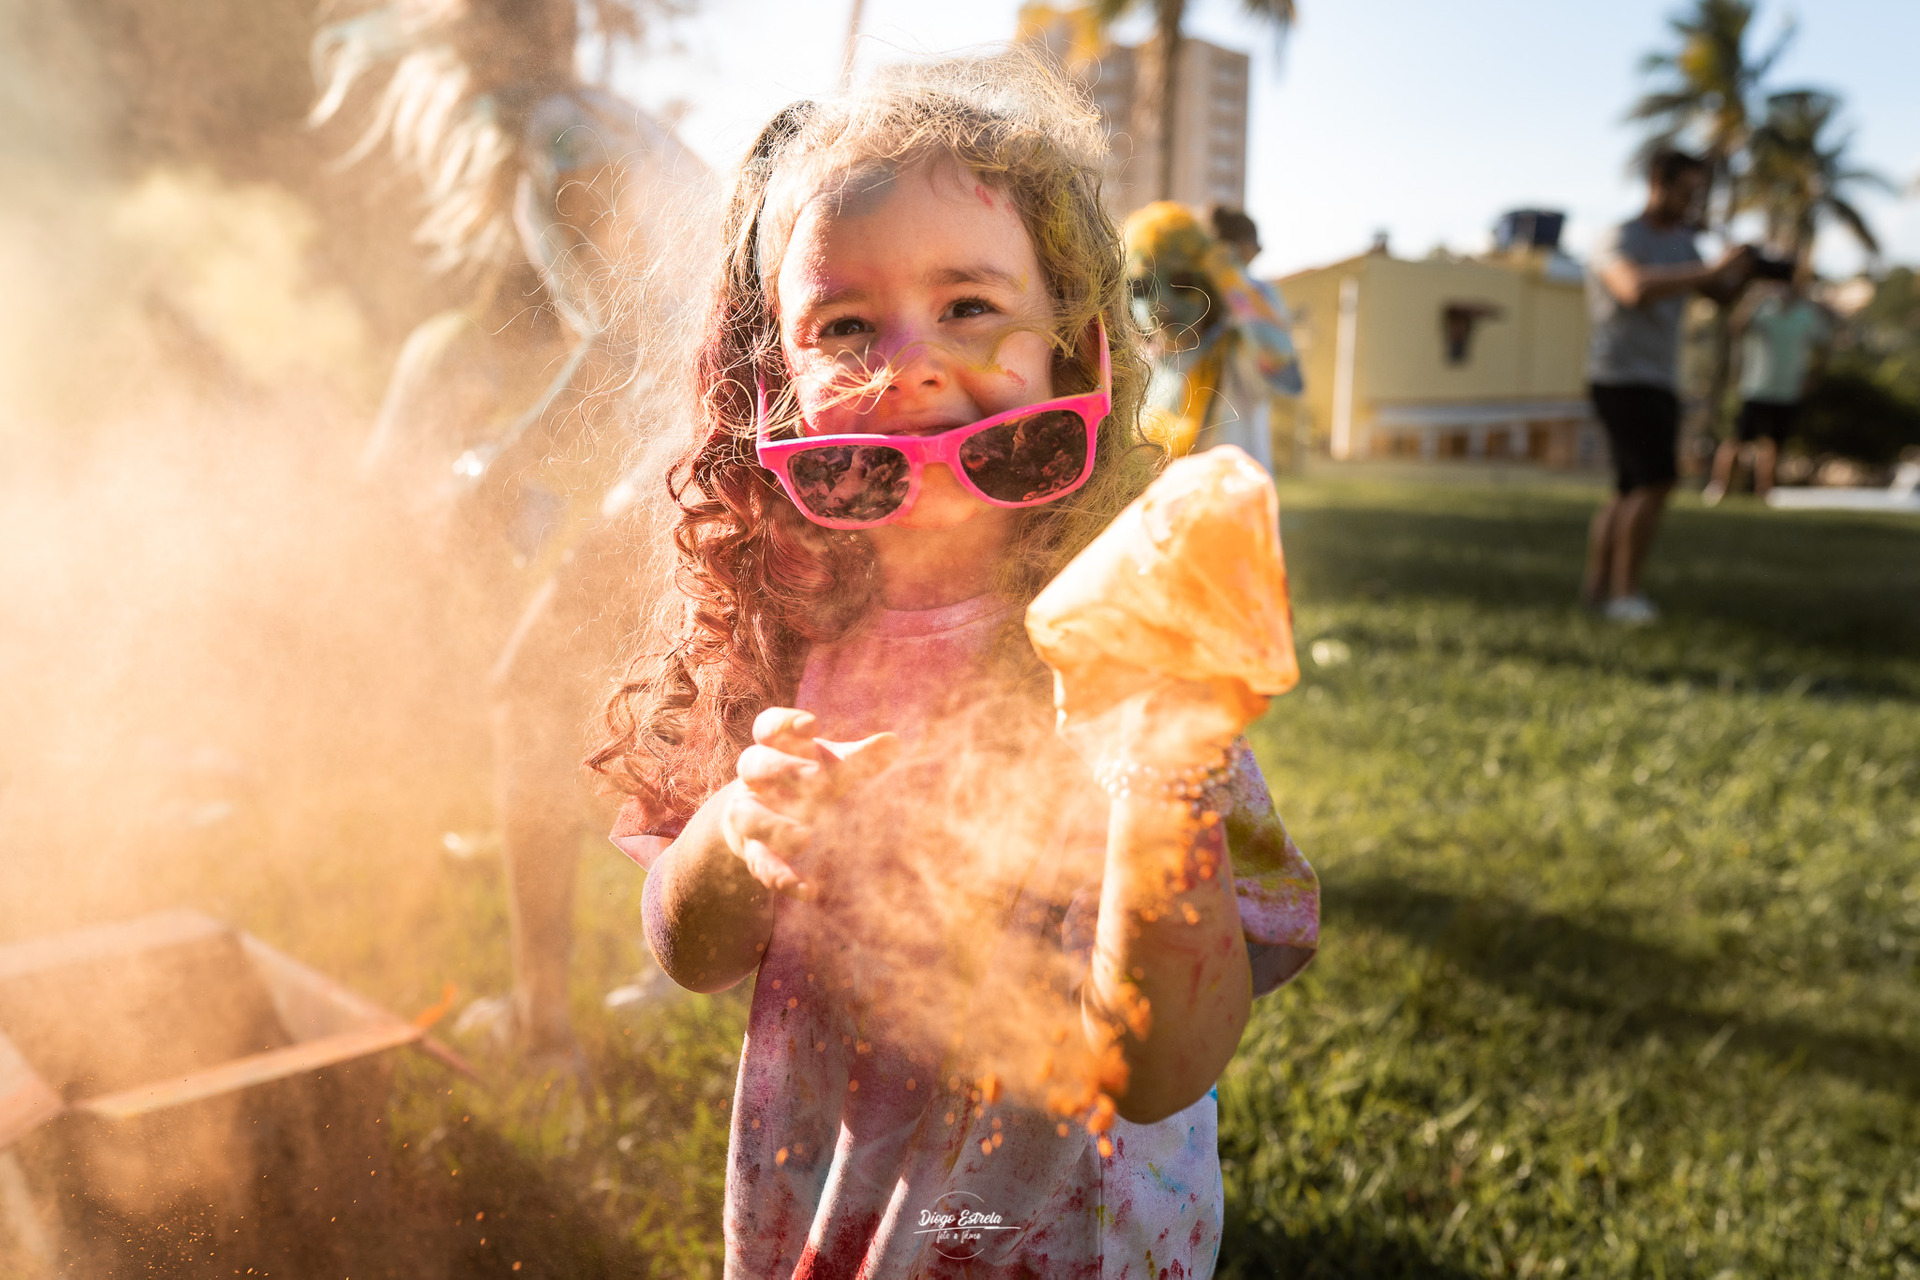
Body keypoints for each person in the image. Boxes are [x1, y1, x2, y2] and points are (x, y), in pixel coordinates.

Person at [587, 54, 1318, 1277]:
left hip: (1064, 1238)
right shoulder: (781, 635)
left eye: (970, 305)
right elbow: (691, 950)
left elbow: (1161, 1070)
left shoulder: (1127, 648)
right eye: (847, 325)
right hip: (830, 1218)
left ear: (1075, 349)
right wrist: (734, 829)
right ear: (777, 389)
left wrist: (1167, 760)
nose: (910, 362)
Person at [311, 0, 704, 1064]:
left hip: (697, 444)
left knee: (532, 698)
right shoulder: (595, 124)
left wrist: (501, 465)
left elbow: (627, 329)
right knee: (648, 711)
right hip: (710, 445)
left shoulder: (562, 140)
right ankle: (671, 954)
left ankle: (543, 1030)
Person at [1583, 147, 1753, 624]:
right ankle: (1624, 596)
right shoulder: (1620, 236)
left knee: (1626, 490)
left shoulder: (1684, 243)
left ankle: (1596, 593)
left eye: (1699, 193)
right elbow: (1633, 289)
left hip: (1659, 377)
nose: (1693, 202)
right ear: (1658, 181)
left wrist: (1741, 269)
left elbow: (1718, 294)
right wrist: (1710, 270)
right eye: (1687, 191)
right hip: (1618, 376)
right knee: (1656, 482)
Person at [1123, 202, 1302, 474]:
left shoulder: (1236, 355)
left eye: (1181, 281)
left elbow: (1286, 371)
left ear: (1209, 283)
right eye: (1141, 287)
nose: (1162, 303)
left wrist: (1228, 275)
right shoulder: (1138, 368)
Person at [1703, 269, 1833, 504]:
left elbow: (1825, 343)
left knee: (1773, 442)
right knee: (1737, 438)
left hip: (1787, 389)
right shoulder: (1762, 309)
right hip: (1755, 387)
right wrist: (1753, 299)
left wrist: (1813, 376)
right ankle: (1718, 487)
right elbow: (1735, 329)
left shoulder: (1806, 315)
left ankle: (1765, 492)